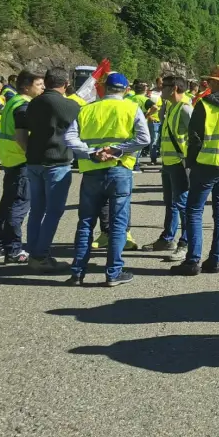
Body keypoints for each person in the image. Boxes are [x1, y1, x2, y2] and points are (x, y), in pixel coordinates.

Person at [64, 72, 150, 286]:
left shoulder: (87, 109)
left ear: (103, 88)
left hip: (92, 170)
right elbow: (144, 138)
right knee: (118, 223)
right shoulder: (132, 108)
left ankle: (77, 273)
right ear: (126, 89)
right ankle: (113, 273)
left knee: (85, 222)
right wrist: (118, 150)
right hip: (119, 170)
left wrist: (91, 152)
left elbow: (69, 137)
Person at [170, 65, 219, 276]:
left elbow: (194, 138)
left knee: (194, 211)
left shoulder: (204, 105)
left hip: (206, 164)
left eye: (209, 81)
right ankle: (214, 260)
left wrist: (192, 164)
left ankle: (192, 261)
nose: (207, 84)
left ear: (216, 83)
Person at [24, 67, 79, 271]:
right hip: (56, 162)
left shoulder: (33, 103)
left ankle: (34, 253)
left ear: (46, 82)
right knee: (54, 211)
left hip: (34, 161)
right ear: (65, 84)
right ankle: (40, 255)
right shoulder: (69, 105)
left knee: (36, 210)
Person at [0, 71, 43, 263]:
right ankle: (13, 249)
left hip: (10, 159)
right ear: (26, 87)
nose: (43, 88)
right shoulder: (23, 105)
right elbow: (21, 136)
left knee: (7, 204)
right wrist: (32, 155)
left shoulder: (12, 101)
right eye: (39, 85)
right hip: (21, 160)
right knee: (18, 206)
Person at [142, 75, 193, 259]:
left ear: (174, 89)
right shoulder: (171, 107)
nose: (160, 90)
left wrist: (189, 161)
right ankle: (167, 238)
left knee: (183, 205)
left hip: (180, 164)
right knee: (171, 203)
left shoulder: (185, 108)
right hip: (169, 164)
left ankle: (186, 243)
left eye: (164, 87)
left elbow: (197, 137)